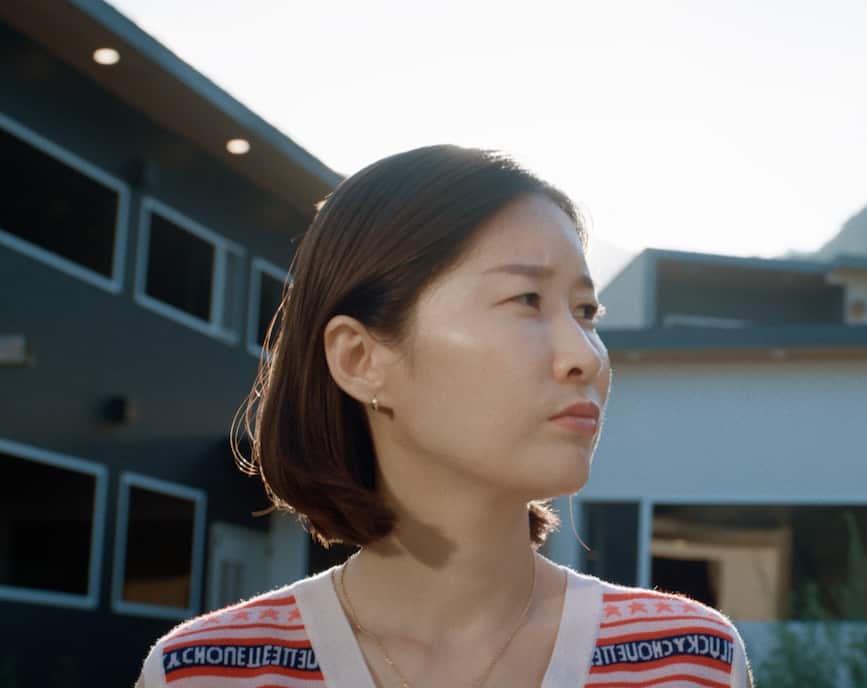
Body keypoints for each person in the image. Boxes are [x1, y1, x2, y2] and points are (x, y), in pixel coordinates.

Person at [134, 145, 753, 687]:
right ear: (360, 358)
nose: (584, 357)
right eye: (526, 300)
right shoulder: (209, 672)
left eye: (587, 312)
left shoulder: (686, 660)